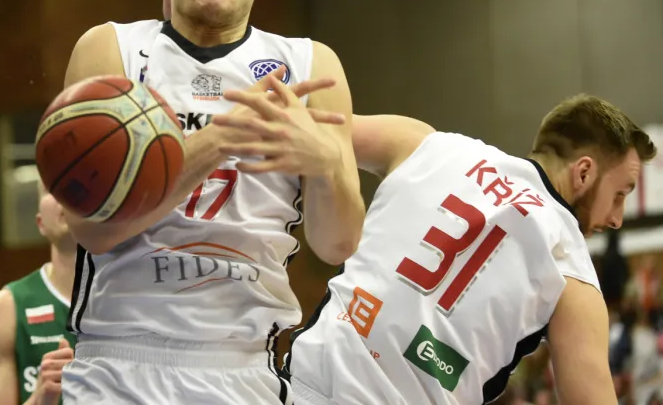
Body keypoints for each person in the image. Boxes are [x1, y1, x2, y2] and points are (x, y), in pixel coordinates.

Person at [57, 0, 364, 404]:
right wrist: (217, 140)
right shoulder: (113, 49)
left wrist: (328, 164)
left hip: (244, 364)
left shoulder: (312, 64)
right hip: (120, 359)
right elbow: (92, 230)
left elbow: (338, 244)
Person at [216, 86, 655, 404]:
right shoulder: (574, 277)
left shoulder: (427, 144)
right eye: (621, 192)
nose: (616, 217)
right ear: (583, 172)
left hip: (299, 389)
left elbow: (308, 131)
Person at [0, 188, 77, 405]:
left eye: (74, 185)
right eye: (52, 188)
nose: (65, 197)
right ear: (40, 223)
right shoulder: (6, 308)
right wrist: (40, 399)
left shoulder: (136, 299)